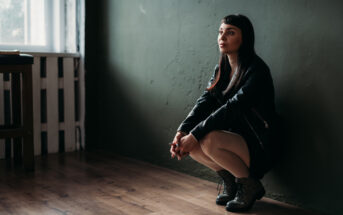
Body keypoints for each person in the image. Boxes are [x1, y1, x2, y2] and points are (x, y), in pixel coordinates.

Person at [170, 14, 279, 212]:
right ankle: (232, 181)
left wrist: (195, 134)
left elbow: (233, 108)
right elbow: (205, 102)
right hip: (238, 141)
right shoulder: (222, 68)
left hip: (260, 145)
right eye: (220, 32)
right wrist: (183, 131)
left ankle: (249, 184)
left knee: (207, 139)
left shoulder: (257, 71)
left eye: (230, 33)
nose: (223, 37)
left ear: (244, 38)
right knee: (192, 144)